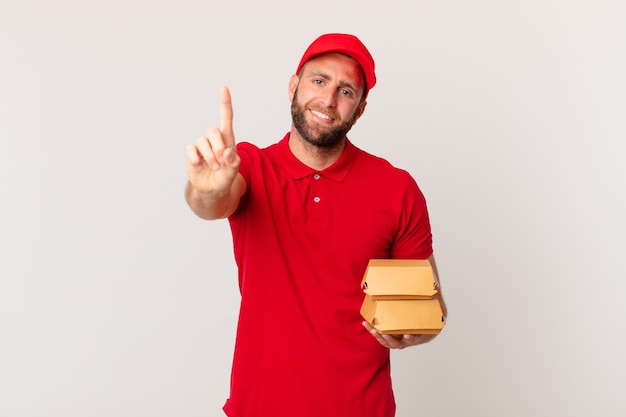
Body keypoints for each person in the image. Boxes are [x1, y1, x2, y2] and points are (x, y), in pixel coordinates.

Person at [185, 33, 446, 417]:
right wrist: (205, 188)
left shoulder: (396, 189)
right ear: (294, 85)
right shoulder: (250, 167)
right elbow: (212, 202)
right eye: (319, 81)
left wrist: (414, 331)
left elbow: (430, 306)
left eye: (346, 91)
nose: (327, 100)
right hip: (259, 407)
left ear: (360, 108)